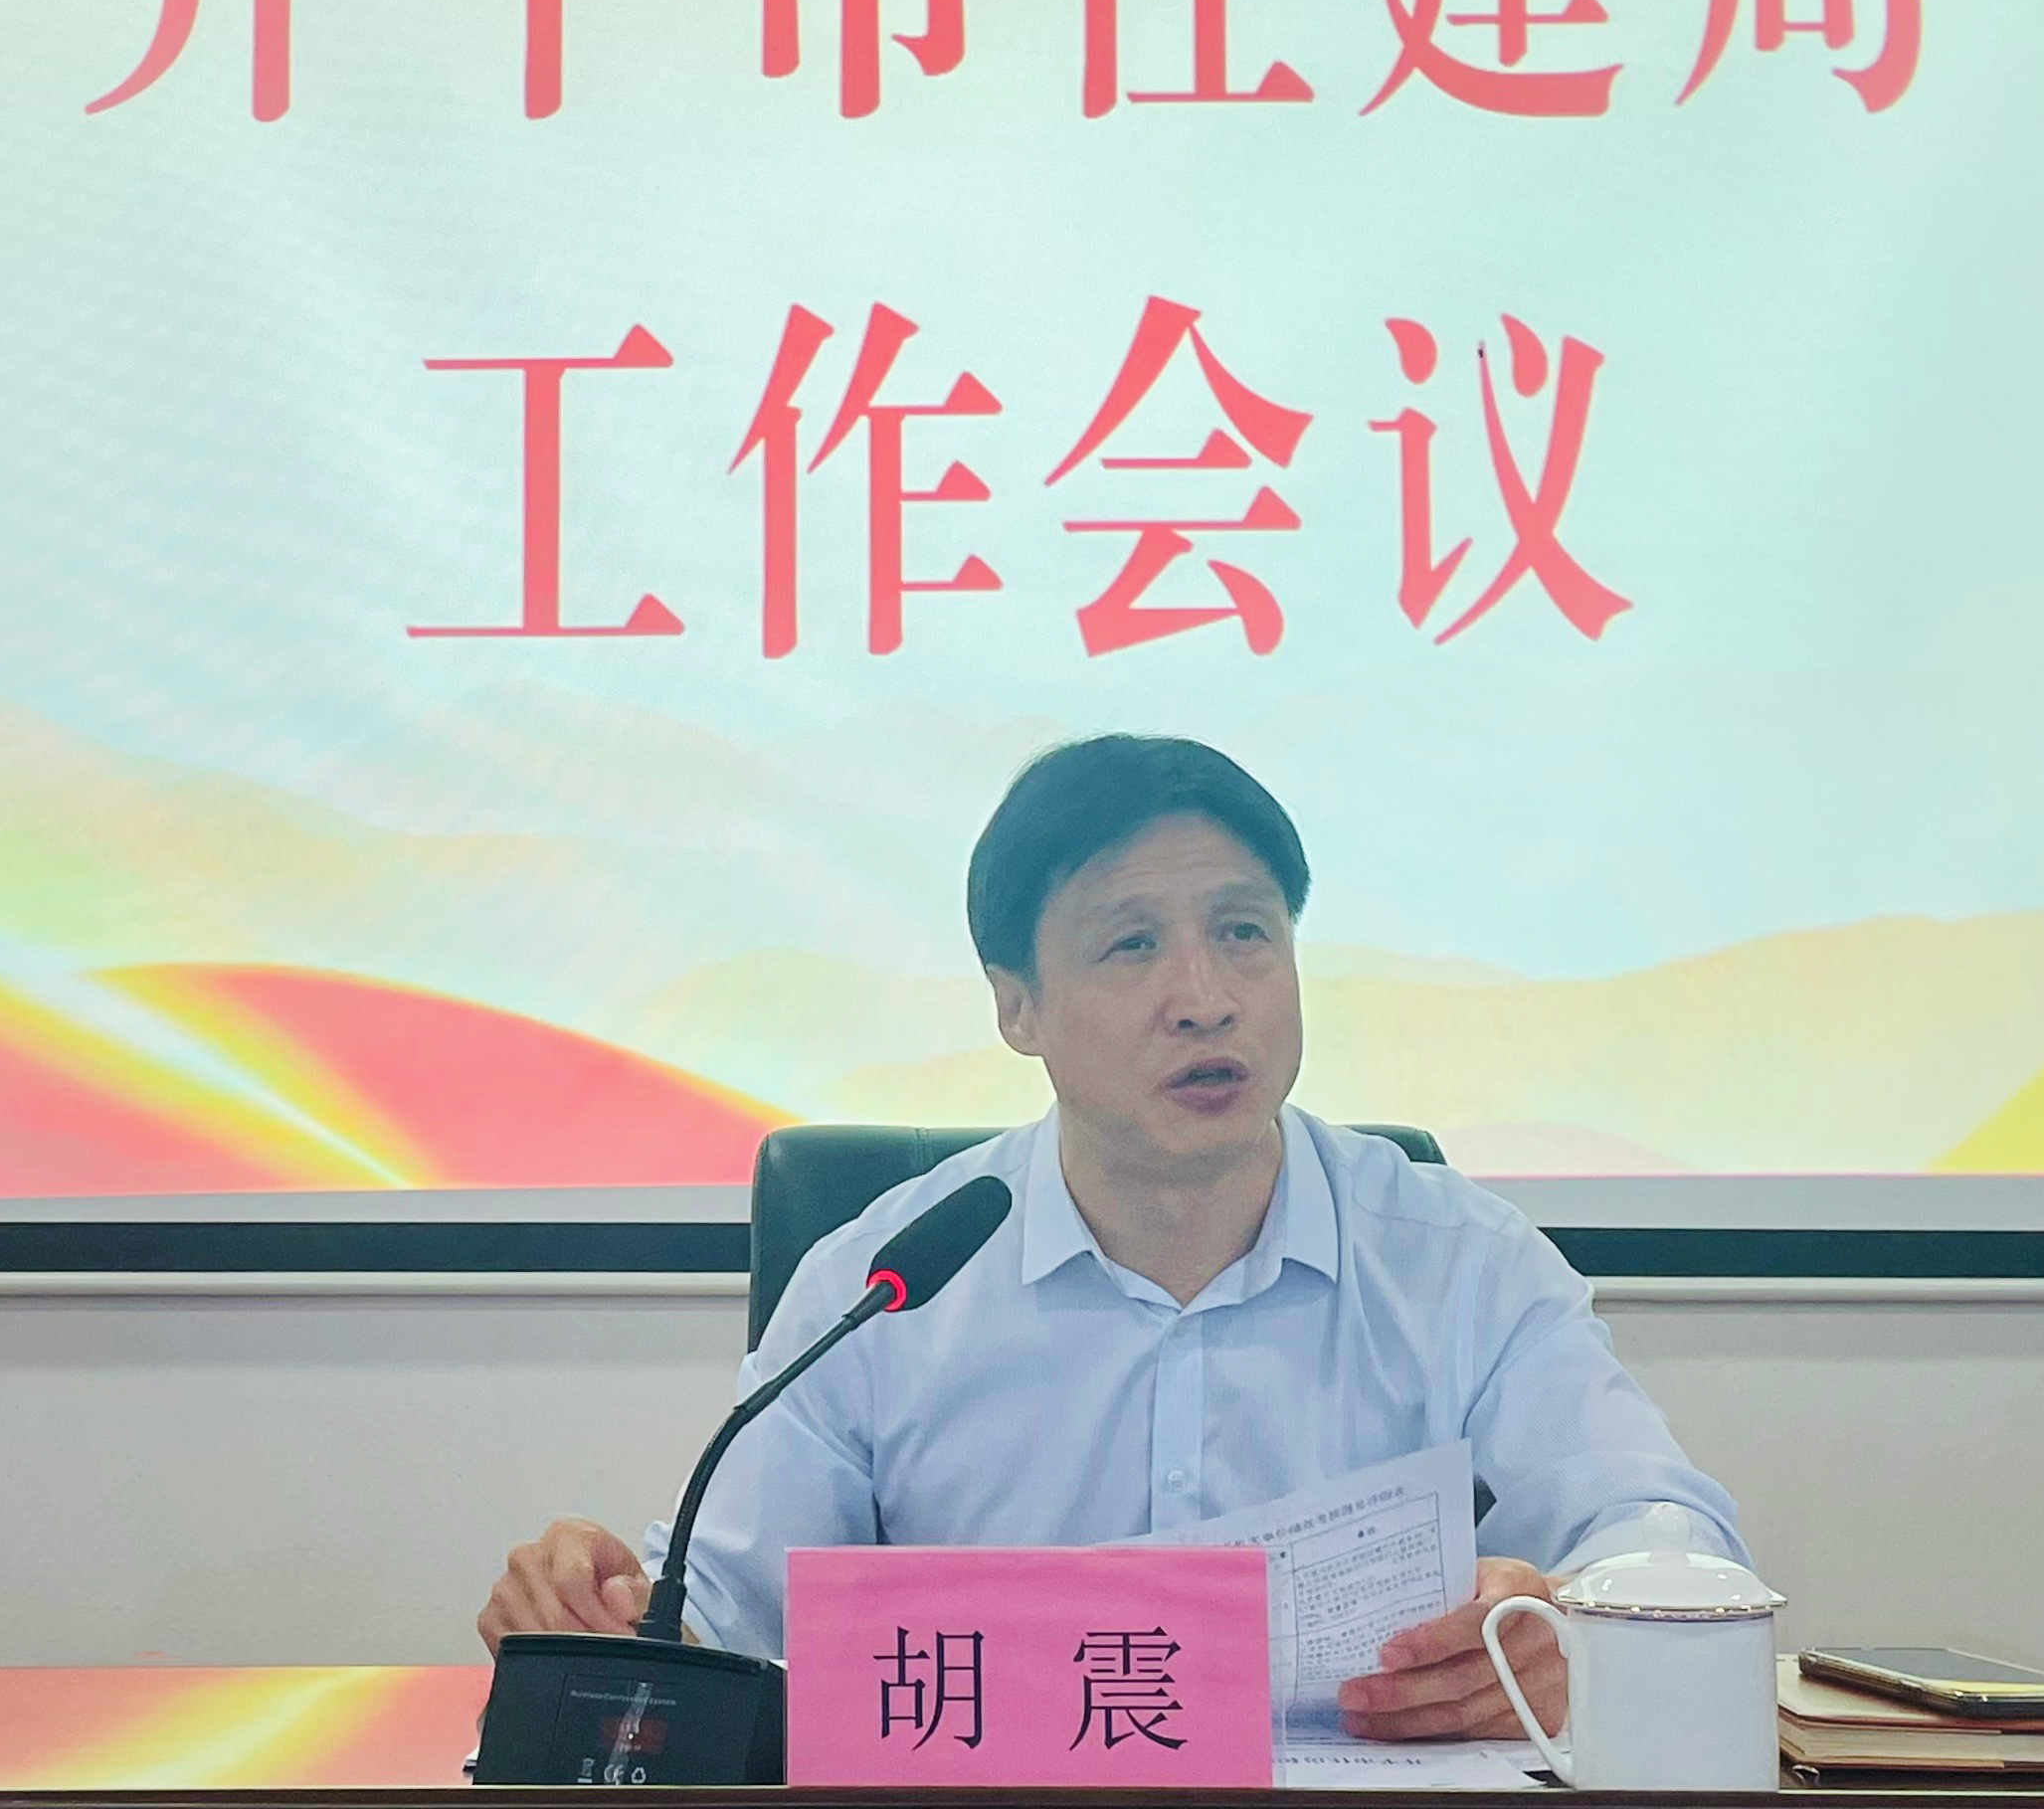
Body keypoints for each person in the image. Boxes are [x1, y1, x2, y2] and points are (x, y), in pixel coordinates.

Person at [479, 733, 1744, 1742]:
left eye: (1245, 932)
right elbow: (724, 1622)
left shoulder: (1459, 1261)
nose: (1207, 998)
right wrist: (594, 1616)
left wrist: (1576, 1628)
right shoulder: (887, 1283)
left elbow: (1669, 1542)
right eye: (1132, 944)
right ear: (1017, 1008)